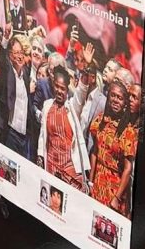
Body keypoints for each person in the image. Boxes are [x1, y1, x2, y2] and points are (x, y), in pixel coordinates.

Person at [88, 78, 139, 216]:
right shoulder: (100, 120)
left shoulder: (128, 131)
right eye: (113, 96)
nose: (116, 100)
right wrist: (91, 181)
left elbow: (128, 168)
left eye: (120, 98)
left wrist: (116, 198)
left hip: (115, 188)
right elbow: (95, 152)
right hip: (98, 183)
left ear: (125, 103)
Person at [37, 66, 90, 190]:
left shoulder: (72, 107)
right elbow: (42, 135)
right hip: (51, 164)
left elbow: (80, 95)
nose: (59, 91)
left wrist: (85, 75)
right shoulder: (47, 105)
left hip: (69, 167)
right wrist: (40, 156)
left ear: (67, 89)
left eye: (63, 88)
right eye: (57, 86)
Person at [0, 34, 34, 158]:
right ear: (10, 55)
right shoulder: (8, 72)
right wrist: (5, 37)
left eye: (21, 52)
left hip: (23, 136)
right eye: (16, 53)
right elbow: (2, 57)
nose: (20, 56)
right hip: (9, 133)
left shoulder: (26, 74)